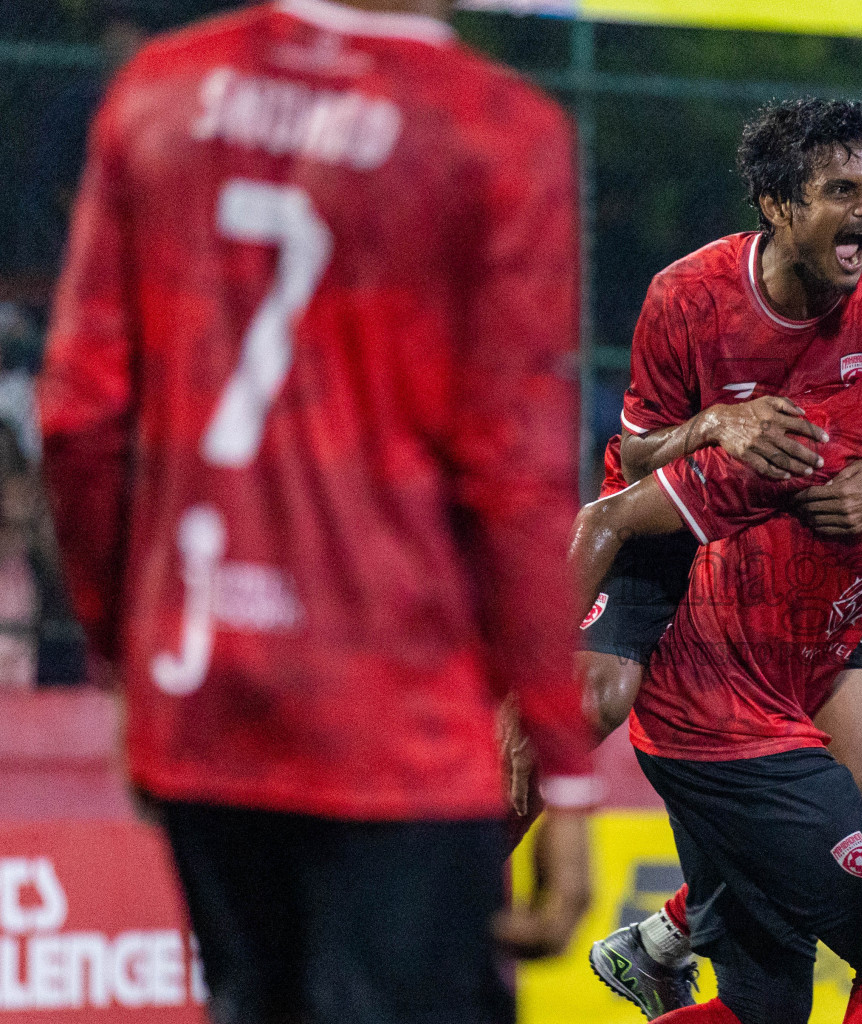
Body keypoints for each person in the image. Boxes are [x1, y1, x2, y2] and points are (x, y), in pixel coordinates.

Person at [38, 0, 597, 1020]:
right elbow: (513, 476)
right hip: (394, 716)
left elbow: (78, 418)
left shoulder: (162, 91)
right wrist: (562, 768)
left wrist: (131, 650)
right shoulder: (494, 131)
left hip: (203, 680)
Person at [578, 99, 862, 1016]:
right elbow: (629, 472)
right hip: (682, 543)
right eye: (840, 191)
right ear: (776, 206)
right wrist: (714, 426)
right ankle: (424, 934)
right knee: (587, 703)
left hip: (794, 615)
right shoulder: (691, 298)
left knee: (851, 803)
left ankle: (663, 938)